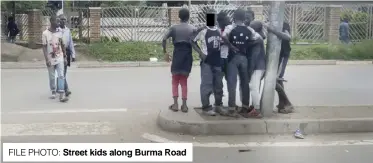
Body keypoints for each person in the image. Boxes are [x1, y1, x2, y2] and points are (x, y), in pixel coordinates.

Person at [222, 8, 262, 117]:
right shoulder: (249, 30)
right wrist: (247, 44)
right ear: (244, 18)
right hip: (244, 58)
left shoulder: (230, 27)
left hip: (232, 58)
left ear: (234, 18)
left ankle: (231, 109)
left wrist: (231, 46)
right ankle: (245, 107)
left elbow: (223, 36)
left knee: (232, 83)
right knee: (244, 83)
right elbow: (259, 39)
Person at [162, 8, 197, 113]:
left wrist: (165, 52)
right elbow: (195, 43)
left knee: (175, 80)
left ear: (179, 16)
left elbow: (164, 39)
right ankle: (185, 105)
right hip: (187, 57)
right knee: (184, 82)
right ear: (188, 17)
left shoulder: (174, 28)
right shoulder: (192, 28)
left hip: (177, 56)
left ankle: (176, 104)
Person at [192, 11, 224, 116]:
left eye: (213, 17)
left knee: (218, 85)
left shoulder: (219, 30)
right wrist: (200, 52)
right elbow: (192, 41)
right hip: (206, 62)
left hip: (218, 61)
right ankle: (206, 107)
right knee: (207, 84)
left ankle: (218, 105)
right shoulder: (203, 31)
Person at [264, 21, 294, 114]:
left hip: (282, 54)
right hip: (273, 55)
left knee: (277, 79)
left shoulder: (283, 24)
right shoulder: (268, 23)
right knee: (276, 79)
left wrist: (273, 30)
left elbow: (288, 37)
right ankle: (282, 103)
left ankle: (287, 103)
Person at [42, 15, 68, 102]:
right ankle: (53, 90)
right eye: (57, 21)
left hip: (59, 57)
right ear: (52, 22)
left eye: (59, 21)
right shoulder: (45, 33)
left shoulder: (60, 32)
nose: (59, 23)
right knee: (52, 77)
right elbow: (44, 47)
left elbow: (63, 44)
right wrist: (47, 59)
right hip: (50, 58)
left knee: (61, 75)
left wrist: (65, 57)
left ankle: (61, 95)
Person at [248, 20, 266, 114]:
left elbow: (254, 57)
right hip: (260, 66)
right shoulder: (259, 37)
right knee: (254, 86)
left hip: (257, 66)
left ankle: (256, 109)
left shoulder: (256, 38)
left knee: (253, 87)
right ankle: (255, 107)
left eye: (251, 27)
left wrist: (250, 70)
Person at [57, 14, 76, 97]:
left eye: (64, 19)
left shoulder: (68, 30)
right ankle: (66, 89)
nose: (63, 21)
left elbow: (71, 43)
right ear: (59, 20)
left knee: (63, 72)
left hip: (66, 52)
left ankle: (60, 87)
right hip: (58, 52)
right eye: (62, 19)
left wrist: (73, 54)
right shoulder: (57, 30)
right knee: (62, 72)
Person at [216, 11, 231, 94]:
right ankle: (219, 98)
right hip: (219, 57)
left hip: (228, 57)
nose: (229, 21)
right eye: (227, 19)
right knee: (219, 79)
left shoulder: (230, 29)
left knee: (229, 78)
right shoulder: (216, 30)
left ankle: (230, 100)